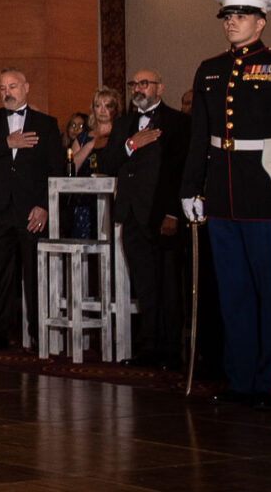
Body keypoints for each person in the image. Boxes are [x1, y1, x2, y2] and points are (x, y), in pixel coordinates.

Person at [180, 0, 271, 409]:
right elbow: (199, 137)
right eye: (227, 15)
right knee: (233, 293)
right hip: (222, 195)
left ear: (261, 22)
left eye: (241, 15)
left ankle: (269, 384)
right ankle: (240, 381)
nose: (231, 22)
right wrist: (191, 189)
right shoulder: (210, 69)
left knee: (269, 292)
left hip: (266, 194)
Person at [0, 68, 64, 350]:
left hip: (30, 210)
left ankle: (38, 334)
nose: (6, 92)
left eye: (12, 86)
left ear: (26, 87)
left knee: (34, 273)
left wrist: (44, 206)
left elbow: (56, 169)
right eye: (2, 88)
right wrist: (5, 143)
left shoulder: (46, 124)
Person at [101, 69, 190, 369]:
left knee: (168, 286)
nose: (138, 88)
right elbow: (109, 161)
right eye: (134, 84)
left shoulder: (177, 121)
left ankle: (170, 351)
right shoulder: (124, 123)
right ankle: (148, 347)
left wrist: (172, 213)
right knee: (143, 285)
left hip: (161, 213)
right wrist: (131, 144)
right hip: (131, 213)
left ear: (159, 87)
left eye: (144, 83)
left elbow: (180, 171)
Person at [65, 90, 119, 238]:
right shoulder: (83, 137)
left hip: (111, 198)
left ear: (115, 109)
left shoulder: (120, 135)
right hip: (84, 199)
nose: (102, 110)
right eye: (97, 105)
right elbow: (71, 167)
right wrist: (91, 144)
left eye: (107, 105)